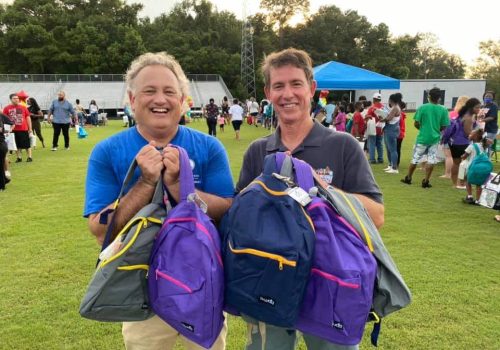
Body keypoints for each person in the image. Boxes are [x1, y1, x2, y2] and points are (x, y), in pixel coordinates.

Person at [235, 48, 384, 350]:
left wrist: (318, 186)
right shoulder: (258, 150)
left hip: (329, 283)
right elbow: (238, 218)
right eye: (278, 86)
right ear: (268, 93)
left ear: (311, 89)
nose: (287, 94)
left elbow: (376, 216)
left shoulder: (342, 145)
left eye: (295, 84)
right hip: (269, 279)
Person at [83, 52, 233, 350]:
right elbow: (101, 230)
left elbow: (227, 210)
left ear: (183, 99)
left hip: (202, 282)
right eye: (149, 91)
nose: (159, 99)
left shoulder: (208, 147)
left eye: (169, 91)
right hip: (140, 285)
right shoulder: (108, 151)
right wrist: (146, 182)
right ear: (132, 98)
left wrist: (179, 186)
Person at [401, 87, 449, 188]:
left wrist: (423, 129)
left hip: (422, 138)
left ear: (429, 96)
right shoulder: (444, 109)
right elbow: (444, 126)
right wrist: (436, 130)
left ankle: (408, 178)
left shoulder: (422, 107)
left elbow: (416, 123)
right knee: (431, 160)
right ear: (439, 98)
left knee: (415, 159)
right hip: (435, 138)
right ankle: (426, 181)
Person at [449, 98, 480, 188]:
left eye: (479, 108)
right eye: (477, 108)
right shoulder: (469, 118)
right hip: (462, 143)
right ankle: (461, 183)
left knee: (456, 163)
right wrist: (477, 132)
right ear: (471, 107)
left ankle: (455, 183)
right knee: (464, 164)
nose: (478, 110)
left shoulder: (462, 114)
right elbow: (468, 133)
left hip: (454, 142)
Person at [440, 95, 469, 179]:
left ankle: (448, 174)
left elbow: (447, 127)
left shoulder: (452, 113)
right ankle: (462, 176)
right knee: (463, 160)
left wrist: (444, 138)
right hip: (464, 140)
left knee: (449, 157)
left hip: (452, 139)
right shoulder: (469, 115)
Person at [3, 93, 33, 162]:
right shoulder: (6, 108)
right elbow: (4, 119)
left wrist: (30, 129)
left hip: (23, 129)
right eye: (14, 98)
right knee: (16, 144)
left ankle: (29, 157)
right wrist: (7, 130)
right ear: (11, 99)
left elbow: (28, 118)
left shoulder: (23, 107)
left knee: (26, 144)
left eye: (17, 98)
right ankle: (19, 157)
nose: (16, 100)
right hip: (13, 129)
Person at [462, 128, 488, 204]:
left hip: (472, 167)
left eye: (471, 134)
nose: (469, 135)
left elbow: (464, 156)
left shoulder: (471, 146)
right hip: (481, 167)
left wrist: (462, 157)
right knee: (478, 184)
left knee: (467, 181)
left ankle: (470, 196)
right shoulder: (483, 145)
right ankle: (478, 200)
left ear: (475, 137)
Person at [382, 93, 403, 174]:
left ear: (391, 100)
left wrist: (382, 119)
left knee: (393, 149)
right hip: (390, 129)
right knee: (389, 148)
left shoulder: (395, 108)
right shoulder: (395, 107)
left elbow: (389, 118)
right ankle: (391, 165)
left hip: (392, 129)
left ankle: (394, 168)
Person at [365, 93, 385, 163]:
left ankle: (372, 159)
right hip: (381, 127)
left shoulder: (371, 108)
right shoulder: (383, 107)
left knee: (372, 144)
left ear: (374, 99)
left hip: (373, 128)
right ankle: (380, 158)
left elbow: (367, 116)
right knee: (379, 144)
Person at [480, 91, 498, 155]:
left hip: (491, 129)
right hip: (482, 129)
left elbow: (491, 117)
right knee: (482, 146)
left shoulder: (494, 106)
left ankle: (487, 160)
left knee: (487, 145)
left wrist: (481, 120)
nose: (488, 97)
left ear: (493, 98)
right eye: (486, 96)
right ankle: (482, 159)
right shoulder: (482, 106)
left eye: (490, 96)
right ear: (483, 97)